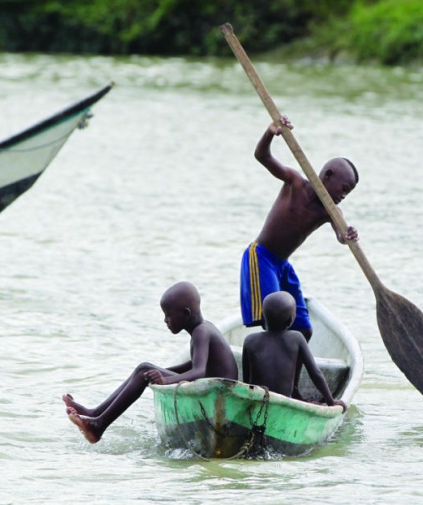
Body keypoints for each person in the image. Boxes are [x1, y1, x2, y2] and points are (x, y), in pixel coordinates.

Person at [241, 116, 359, 397]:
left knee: (303, 328)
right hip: (263, 258)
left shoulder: (330, 211)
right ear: (327, 176)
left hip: (283, 266)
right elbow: (262, 156)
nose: (344, 196)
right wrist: (271, 133)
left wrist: (349, 234)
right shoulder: (295, 182)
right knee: (270, 325)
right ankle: (259, 386)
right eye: (344, 188)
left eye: (349, 193)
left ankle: (291, 388)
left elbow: (341, 236)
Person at [63, 281, 238, 444]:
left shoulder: (201, 332)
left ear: (186, 313)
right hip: (213, 387)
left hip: (218, 390)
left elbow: (198, 371)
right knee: (144, 370)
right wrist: (160, 371)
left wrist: (166, 380)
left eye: (168, 315)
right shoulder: (203, 329)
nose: (165, 321)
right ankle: (94, 414)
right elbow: (191, 366)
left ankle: (98, 425)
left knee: (143, 370)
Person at [242, 291, 346, 411]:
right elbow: (315, 374)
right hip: (284, 403)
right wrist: (331, 402)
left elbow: (246, 381)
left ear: (262, 317)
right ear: (291, 319)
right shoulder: (296, 338)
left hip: (257, 401)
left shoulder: (250, 340)